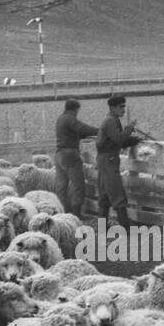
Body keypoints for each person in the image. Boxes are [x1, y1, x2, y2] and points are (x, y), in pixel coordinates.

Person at [95, 94, 142, 228]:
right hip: (109, 160)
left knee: (105, 195)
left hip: (104, 159)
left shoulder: (110, 120)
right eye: (121, 107)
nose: (123, 109)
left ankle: (102, 227)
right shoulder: (110, 121)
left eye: (124, 106)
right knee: (117, 194)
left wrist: (132, 141)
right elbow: (118, 139)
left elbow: (115, 141)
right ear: (113, 108)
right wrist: (130, 127)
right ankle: (127, 229)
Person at [54, 98, 99, 217]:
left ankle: (64, 213)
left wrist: (88, 133)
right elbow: (82, 128)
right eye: (77, 110)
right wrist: (101, 131)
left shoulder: (61, 119)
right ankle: (76, 214)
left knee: (61, 187)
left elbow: (79, 133)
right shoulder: (69, 118)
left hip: (59, 155)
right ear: (75, 109)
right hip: (70, 155)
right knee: (78, 186)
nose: (77, 113)